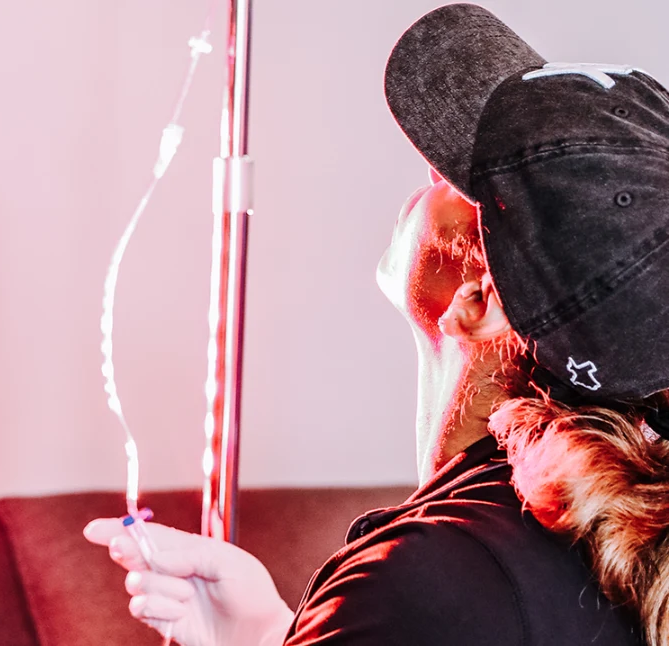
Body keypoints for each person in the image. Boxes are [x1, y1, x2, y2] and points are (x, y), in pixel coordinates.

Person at [84, 3, 669, 644]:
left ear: (479, 302)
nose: (423, 175)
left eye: (454, 174)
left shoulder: (431, 583)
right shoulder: (566, 561)